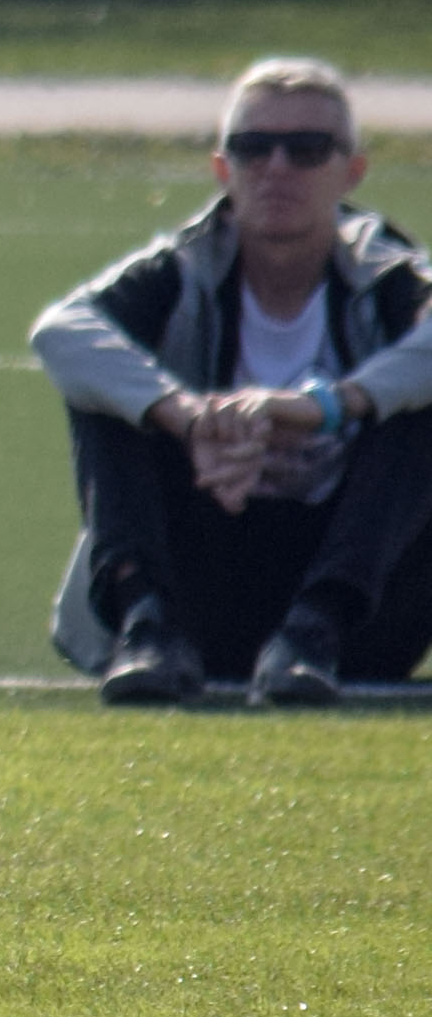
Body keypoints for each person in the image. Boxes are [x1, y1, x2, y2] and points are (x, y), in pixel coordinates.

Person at [34, 57, 432, 705]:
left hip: (357, 617)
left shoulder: (387, 275)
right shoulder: (181, 268)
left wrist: (325, 407)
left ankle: (310, 631)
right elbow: (61, 329)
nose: (276, 168)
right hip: (203, 594)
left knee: (417, 404)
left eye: (306, 149)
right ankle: (146, 627)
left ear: (351, 171)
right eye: (252, 148)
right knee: (106, 388)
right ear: (222, 168)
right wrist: (189, 418)